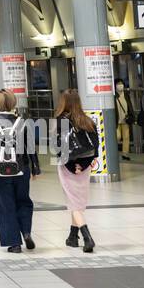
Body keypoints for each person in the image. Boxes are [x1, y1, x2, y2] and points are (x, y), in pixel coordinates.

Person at [0, 89, 39, 253]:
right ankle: (26, 232)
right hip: (21, 168)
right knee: (24, 201)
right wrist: (35, 168)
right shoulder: (22, 122)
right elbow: (30, 148)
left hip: (0, 170)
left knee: (5, 205)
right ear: (13, 103)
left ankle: (14, 243)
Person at [55, 89, 99, 253]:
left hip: (68, 167)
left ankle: (87, 238)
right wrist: (84, 164)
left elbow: (60, 148)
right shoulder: (87, 121)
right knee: (76, 201)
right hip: (85, 168)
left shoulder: (60, 121)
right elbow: (95, 146)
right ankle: (73, 237)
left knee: (74, 202)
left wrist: (73, 166)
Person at [114, 79, 134, 161]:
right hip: (116, 120)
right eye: (118, 84)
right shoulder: (113, 95)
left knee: (126, 137)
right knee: (117, 137)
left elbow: (129, 105)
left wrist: (131, 115)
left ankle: (125, 154)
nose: (120, 85)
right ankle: (114, 152)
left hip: (125, 119)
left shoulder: (126, 94)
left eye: (121, 83)